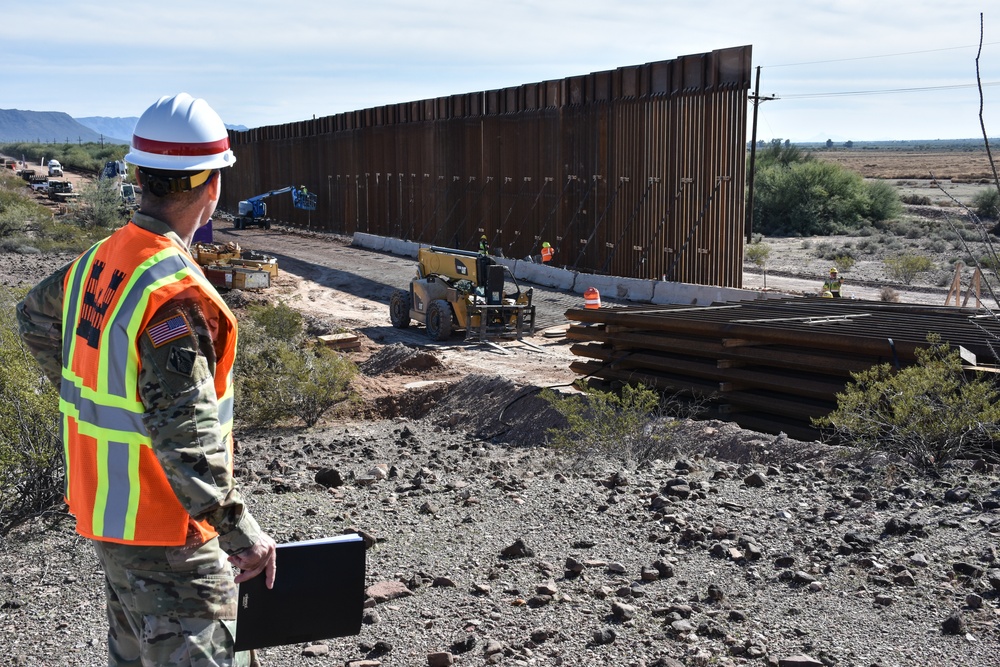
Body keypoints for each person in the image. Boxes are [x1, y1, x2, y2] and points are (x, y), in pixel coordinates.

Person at [16, 93, 276, 667]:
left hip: (111, 517)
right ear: (211, 186)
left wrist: (83, 383)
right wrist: (241, 533)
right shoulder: (171, 295)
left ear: (136, 175)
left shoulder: (102, 259)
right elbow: (187, 439)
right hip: (169, 533)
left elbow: (32, 315)